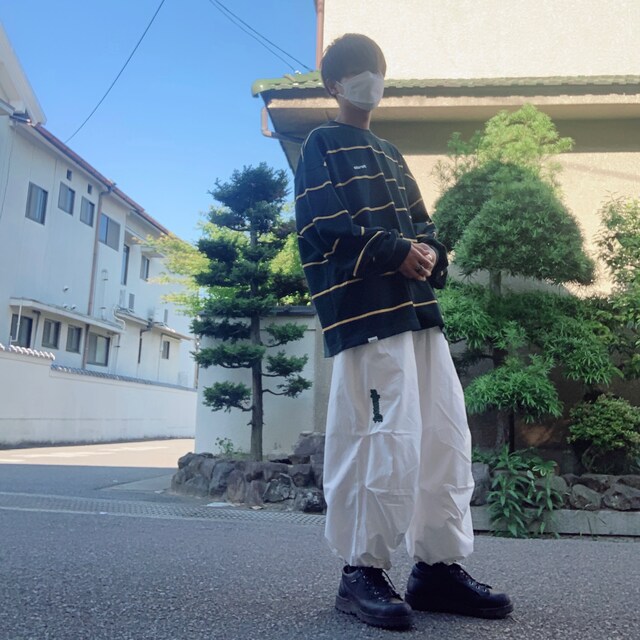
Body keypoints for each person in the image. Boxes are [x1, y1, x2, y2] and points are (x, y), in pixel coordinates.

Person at [294, 33, 513, 630]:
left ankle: (436, 568)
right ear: (335, 85)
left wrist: (430, 252)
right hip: (367, 317)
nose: (372, 79)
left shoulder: (391, 153)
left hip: (418, 313)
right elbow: (320, 226)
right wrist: (394, 250)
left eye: (377, 69)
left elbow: (423, 224)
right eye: (359, 70)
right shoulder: (321, 144)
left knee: (442, 435)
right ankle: (359, 571)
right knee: (377, 438)